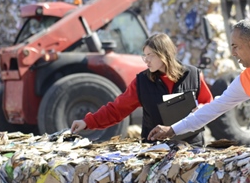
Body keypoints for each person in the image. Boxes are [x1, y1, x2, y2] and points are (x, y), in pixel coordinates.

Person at [71, 33, 213, 146]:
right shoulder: (142, 82)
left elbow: (209, 106)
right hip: (156, 151)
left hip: (191, 148)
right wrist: (87, 122)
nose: (146, 60)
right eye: (144, 55)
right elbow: (116, 110)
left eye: (150, 55)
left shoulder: (193, 75)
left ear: (164, 55)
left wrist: (199, 108)